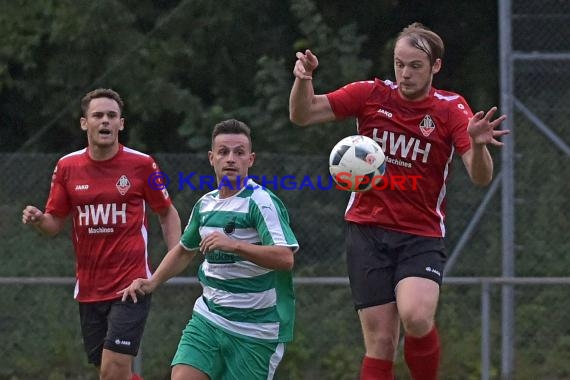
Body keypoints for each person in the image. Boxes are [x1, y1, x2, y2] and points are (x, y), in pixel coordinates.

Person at [289, 22, 509, 380]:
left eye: (415, 66)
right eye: (399, 64)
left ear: (435, 67)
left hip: (419, 234)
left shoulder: (452, 109)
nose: (405, 74)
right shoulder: (371, 95)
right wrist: (303, 79)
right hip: (366, 231)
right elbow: (302, 114)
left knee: (417, 316)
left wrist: (479, 146)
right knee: (380, 341)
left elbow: (481, 176)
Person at [120, 119, 299, 380]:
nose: (230, 159)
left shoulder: (261, 202)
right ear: (211, 157)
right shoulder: (205, 205)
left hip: (256, 330)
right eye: (223, 151)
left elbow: (285, 258)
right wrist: (152, 282)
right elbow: (184, 250)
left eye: (239, 152)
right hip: (209, 318)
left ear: (250, 159)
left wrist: (236, 245)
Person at [22, 88, 181, 380]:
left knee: (113, 370)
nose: (105, 121)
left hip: (131, 285)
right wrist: (38, 219)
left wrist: (172, 261)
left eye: (111, 115)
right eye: (98, 115)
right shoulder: (67, 166)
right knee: (108, 372)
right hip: (90, 289)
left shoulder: (143, 164)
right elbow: (54, 223)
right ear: (85, 123)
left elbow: (166, 212)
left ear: (121, 123)